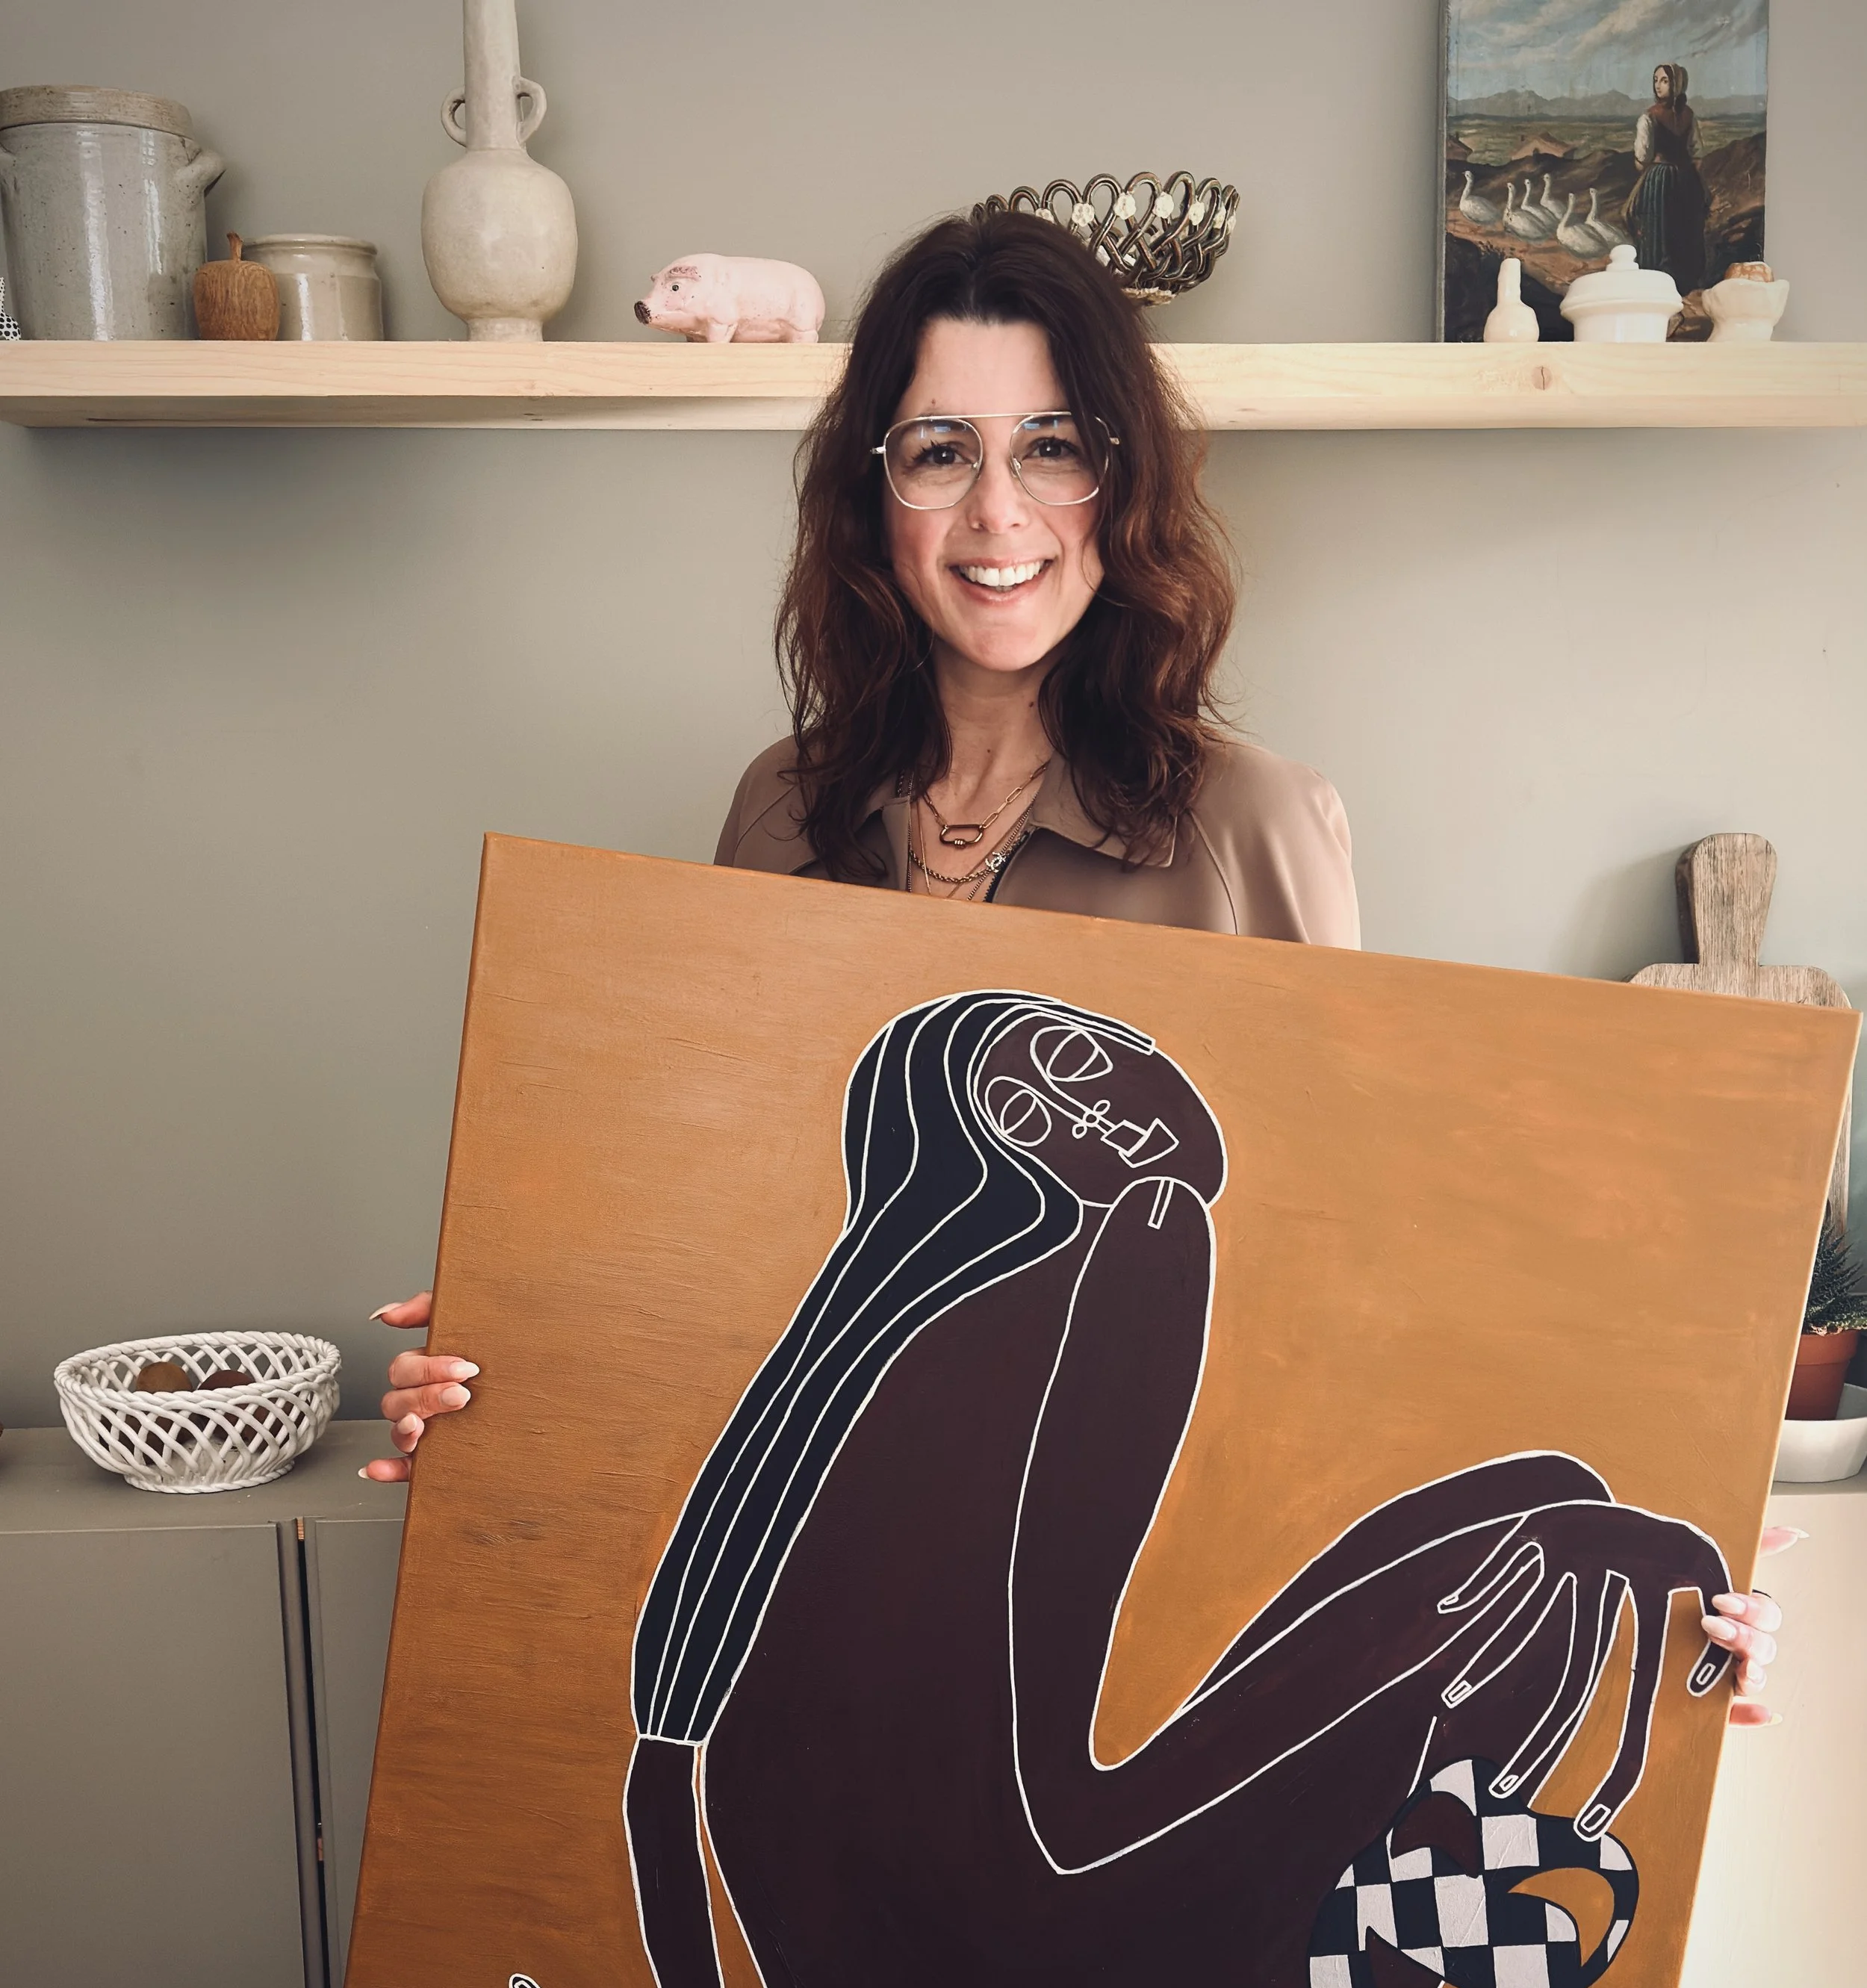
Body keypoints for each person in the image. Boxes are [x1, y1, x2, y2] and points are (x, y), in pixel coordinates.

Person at [363, 207, 1787, 1715]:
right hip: (793, 1596)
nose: (998, 514)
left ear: (1121, 480)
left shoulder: (1253, 823)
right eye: (938, 452)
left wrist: (1660, 1551)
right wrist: (510, 1366)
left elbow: (1360, 1296)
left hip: (1098, 1625)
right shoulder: (778, 806)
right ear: (874, 496)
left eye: (1051, 447)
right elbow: (723, 1256)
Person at [1625, 62, 1709, 295]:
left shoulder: (1649, 117)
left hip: (1659, 182)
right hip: (1686, 179)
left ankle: (1657, 285)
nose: (1658, 86)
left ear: (1677, 83)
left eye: (1664, 80)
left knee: (1657, 229)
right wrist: (1685, 174)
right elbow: (1697, 154)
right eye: (1656, 80)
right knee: (1683, 229)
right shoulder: (1689, 115)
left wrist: (1651, 172)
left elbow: (1641, 158)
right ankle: (1682, 283)